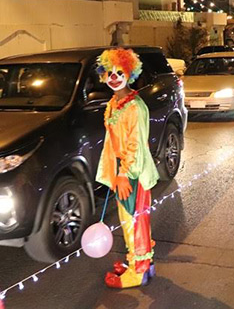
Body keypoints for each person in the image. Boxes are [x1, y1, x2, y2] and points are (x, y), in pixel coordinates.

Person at [95, 48, 159, 289]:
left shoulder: (134, 107)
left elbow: (136, 146)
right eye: (110, 73)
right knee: (130, 220)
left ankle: (138, 271)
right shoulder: (115, 103)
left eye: (120, 73)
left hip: (134, 173)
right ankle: (142, 263)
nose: (114, 77)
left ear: (130, 74)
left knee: (134, 221)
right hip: (121, 171)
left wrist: (124, 174)